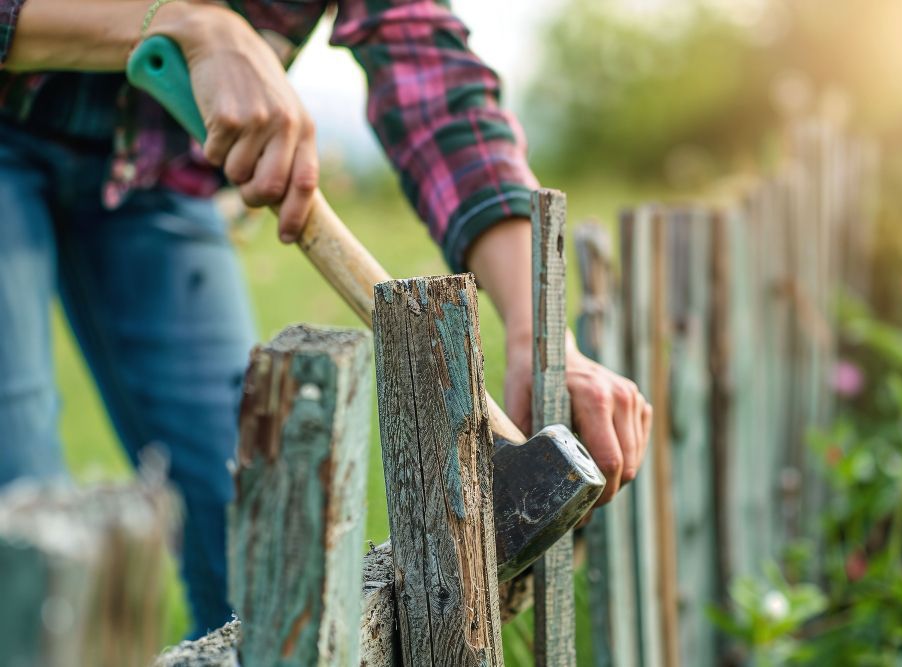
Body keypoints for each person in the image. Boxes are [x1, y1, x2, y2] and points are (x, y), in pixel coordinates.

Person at [0, 0, 652, 635]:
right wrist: (178, 22)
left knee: (257, 543)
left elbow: (428, 74)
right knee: (26, 522)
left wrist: (540, 337)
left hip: (161, 171)